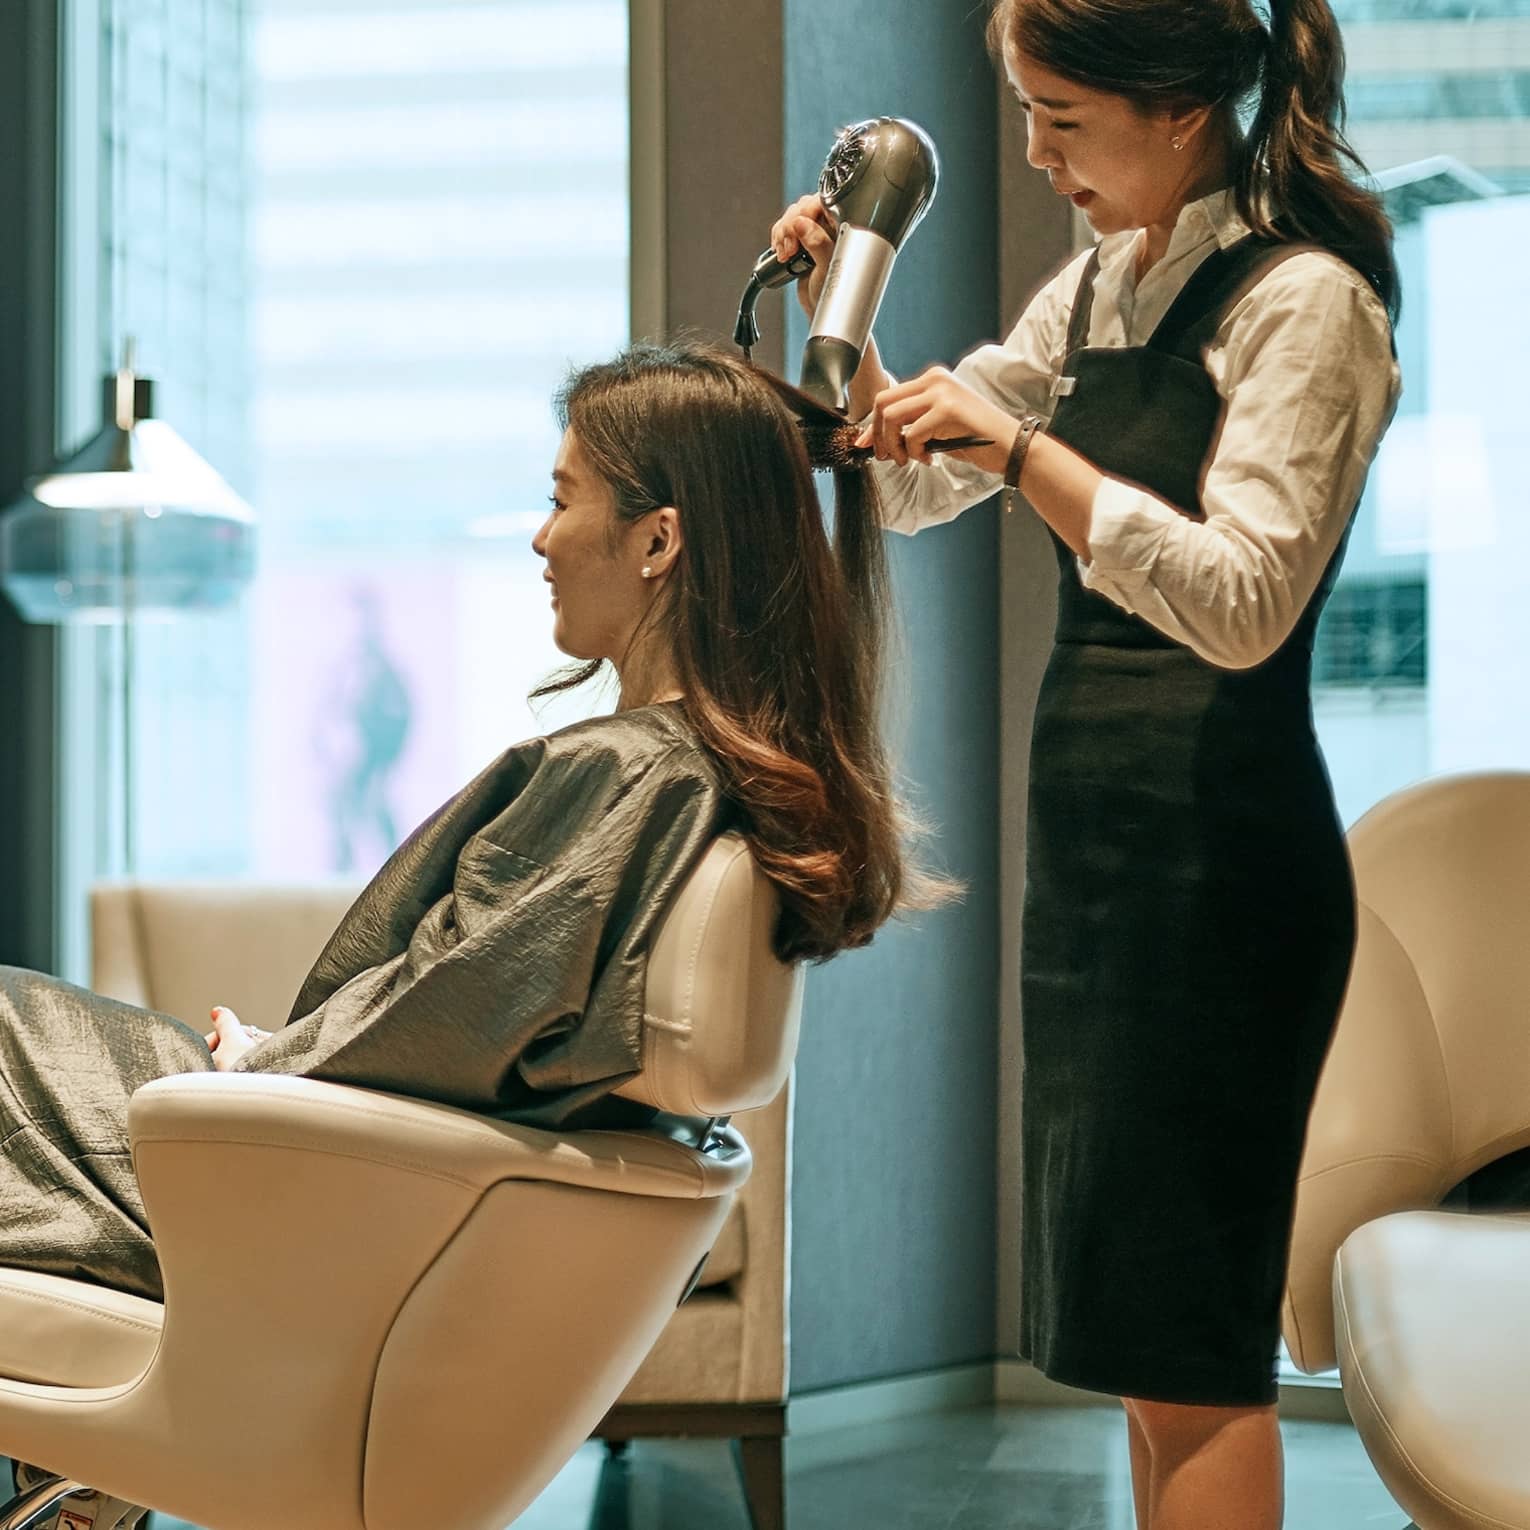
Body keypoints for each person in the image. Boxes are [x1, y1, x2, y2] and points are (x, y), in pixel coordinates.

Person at [769, 1, 1399, 1526]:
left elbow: (1245, 601)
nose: (1038, 155)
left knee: (1191, 1344)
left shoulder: (1305, 301)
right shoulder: (1108, 282)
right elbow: (913, 487)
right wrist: (840, 325)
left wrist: (1024, 454)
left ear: (1175, 111)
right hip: (1099, 852)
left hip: (1220, 862)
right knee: (1136, 1339)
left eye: (1060, 119)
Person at [0, 342, 933, 1321]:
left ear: (658, 542)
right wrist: (285, 1057)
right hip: (353, 1151)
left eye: (562, 500)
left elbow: (459, 997)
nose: (542, 540)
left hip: (311, 1182)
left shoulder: (626, 771)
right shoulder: (698, 772)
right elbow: (470, 1006)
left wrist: (264, 1069)